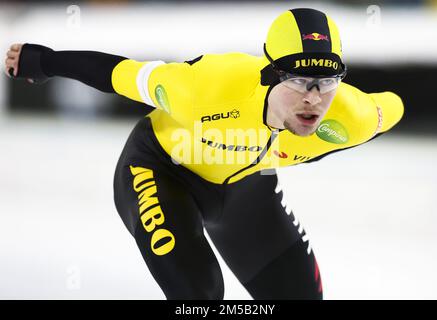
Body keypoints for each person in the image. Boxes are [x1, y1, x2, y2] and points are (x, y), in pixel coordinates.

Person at [4, 8, 404, 300]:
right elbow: (119, 74)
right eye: (299, 80)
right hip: (161, 169)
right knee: (200, 297)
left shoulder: (352, 116)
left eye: (326, 81)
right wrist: (44, 61)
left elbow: (393, 106)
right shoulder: (205, 87)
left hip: (246, 189)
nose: (313, 99)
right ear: (269, 74)